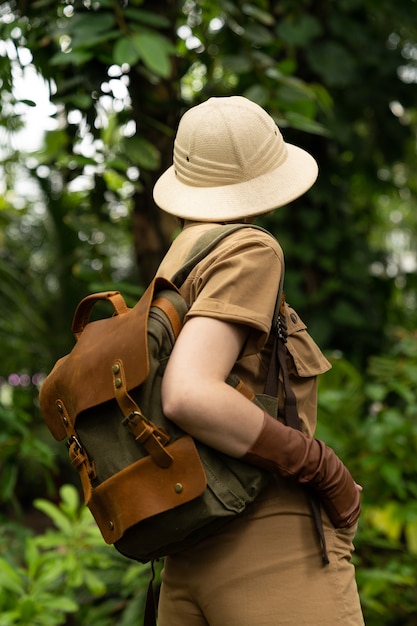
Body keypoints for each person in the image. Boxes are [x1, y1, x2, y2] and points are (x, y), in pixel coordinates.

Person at [152, 96, 364, 626]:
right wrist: (321, 467)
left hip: (188, 542)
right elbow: (188, 392)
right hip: (269, 540)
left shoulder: (176, 261)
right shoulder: (251, 247)